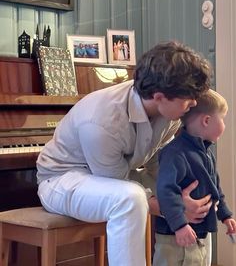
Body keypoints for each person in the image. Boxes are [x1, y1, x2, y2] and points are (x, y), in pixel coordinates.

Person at [36, 41, 213, 266]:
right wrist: (174, 208)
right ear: (159, 96)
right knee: (130, 198)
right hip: (62, 179)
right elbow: (114, 182)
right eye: (188, 96)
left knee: (195, 180)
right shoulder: (101, 120)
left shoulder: (169, 112)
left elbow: (159, 163)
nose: (194, 102)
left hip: (121, 173)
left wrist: (186, 191)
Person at [153, 89, 236, 266]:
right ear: (206, 120)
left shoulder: (206, 153)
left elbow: (215, 188)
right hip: (173, 237)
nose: (224, 125)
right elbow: (165, 190)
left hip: (198, 234)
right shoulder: (175, 153)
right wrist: (180, 225)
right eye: (222, 118)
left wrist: (225, 215)